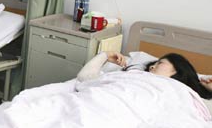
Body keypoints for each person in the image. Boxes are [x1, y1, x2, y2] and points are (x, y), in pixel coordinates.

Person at [78, 50, 212, 99]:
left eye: (160, 63)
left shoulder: (183, 93)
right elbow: (84, 79)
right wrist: (105, 56)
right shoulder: (134, 75)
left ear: (179, 71)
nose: (152, 66)